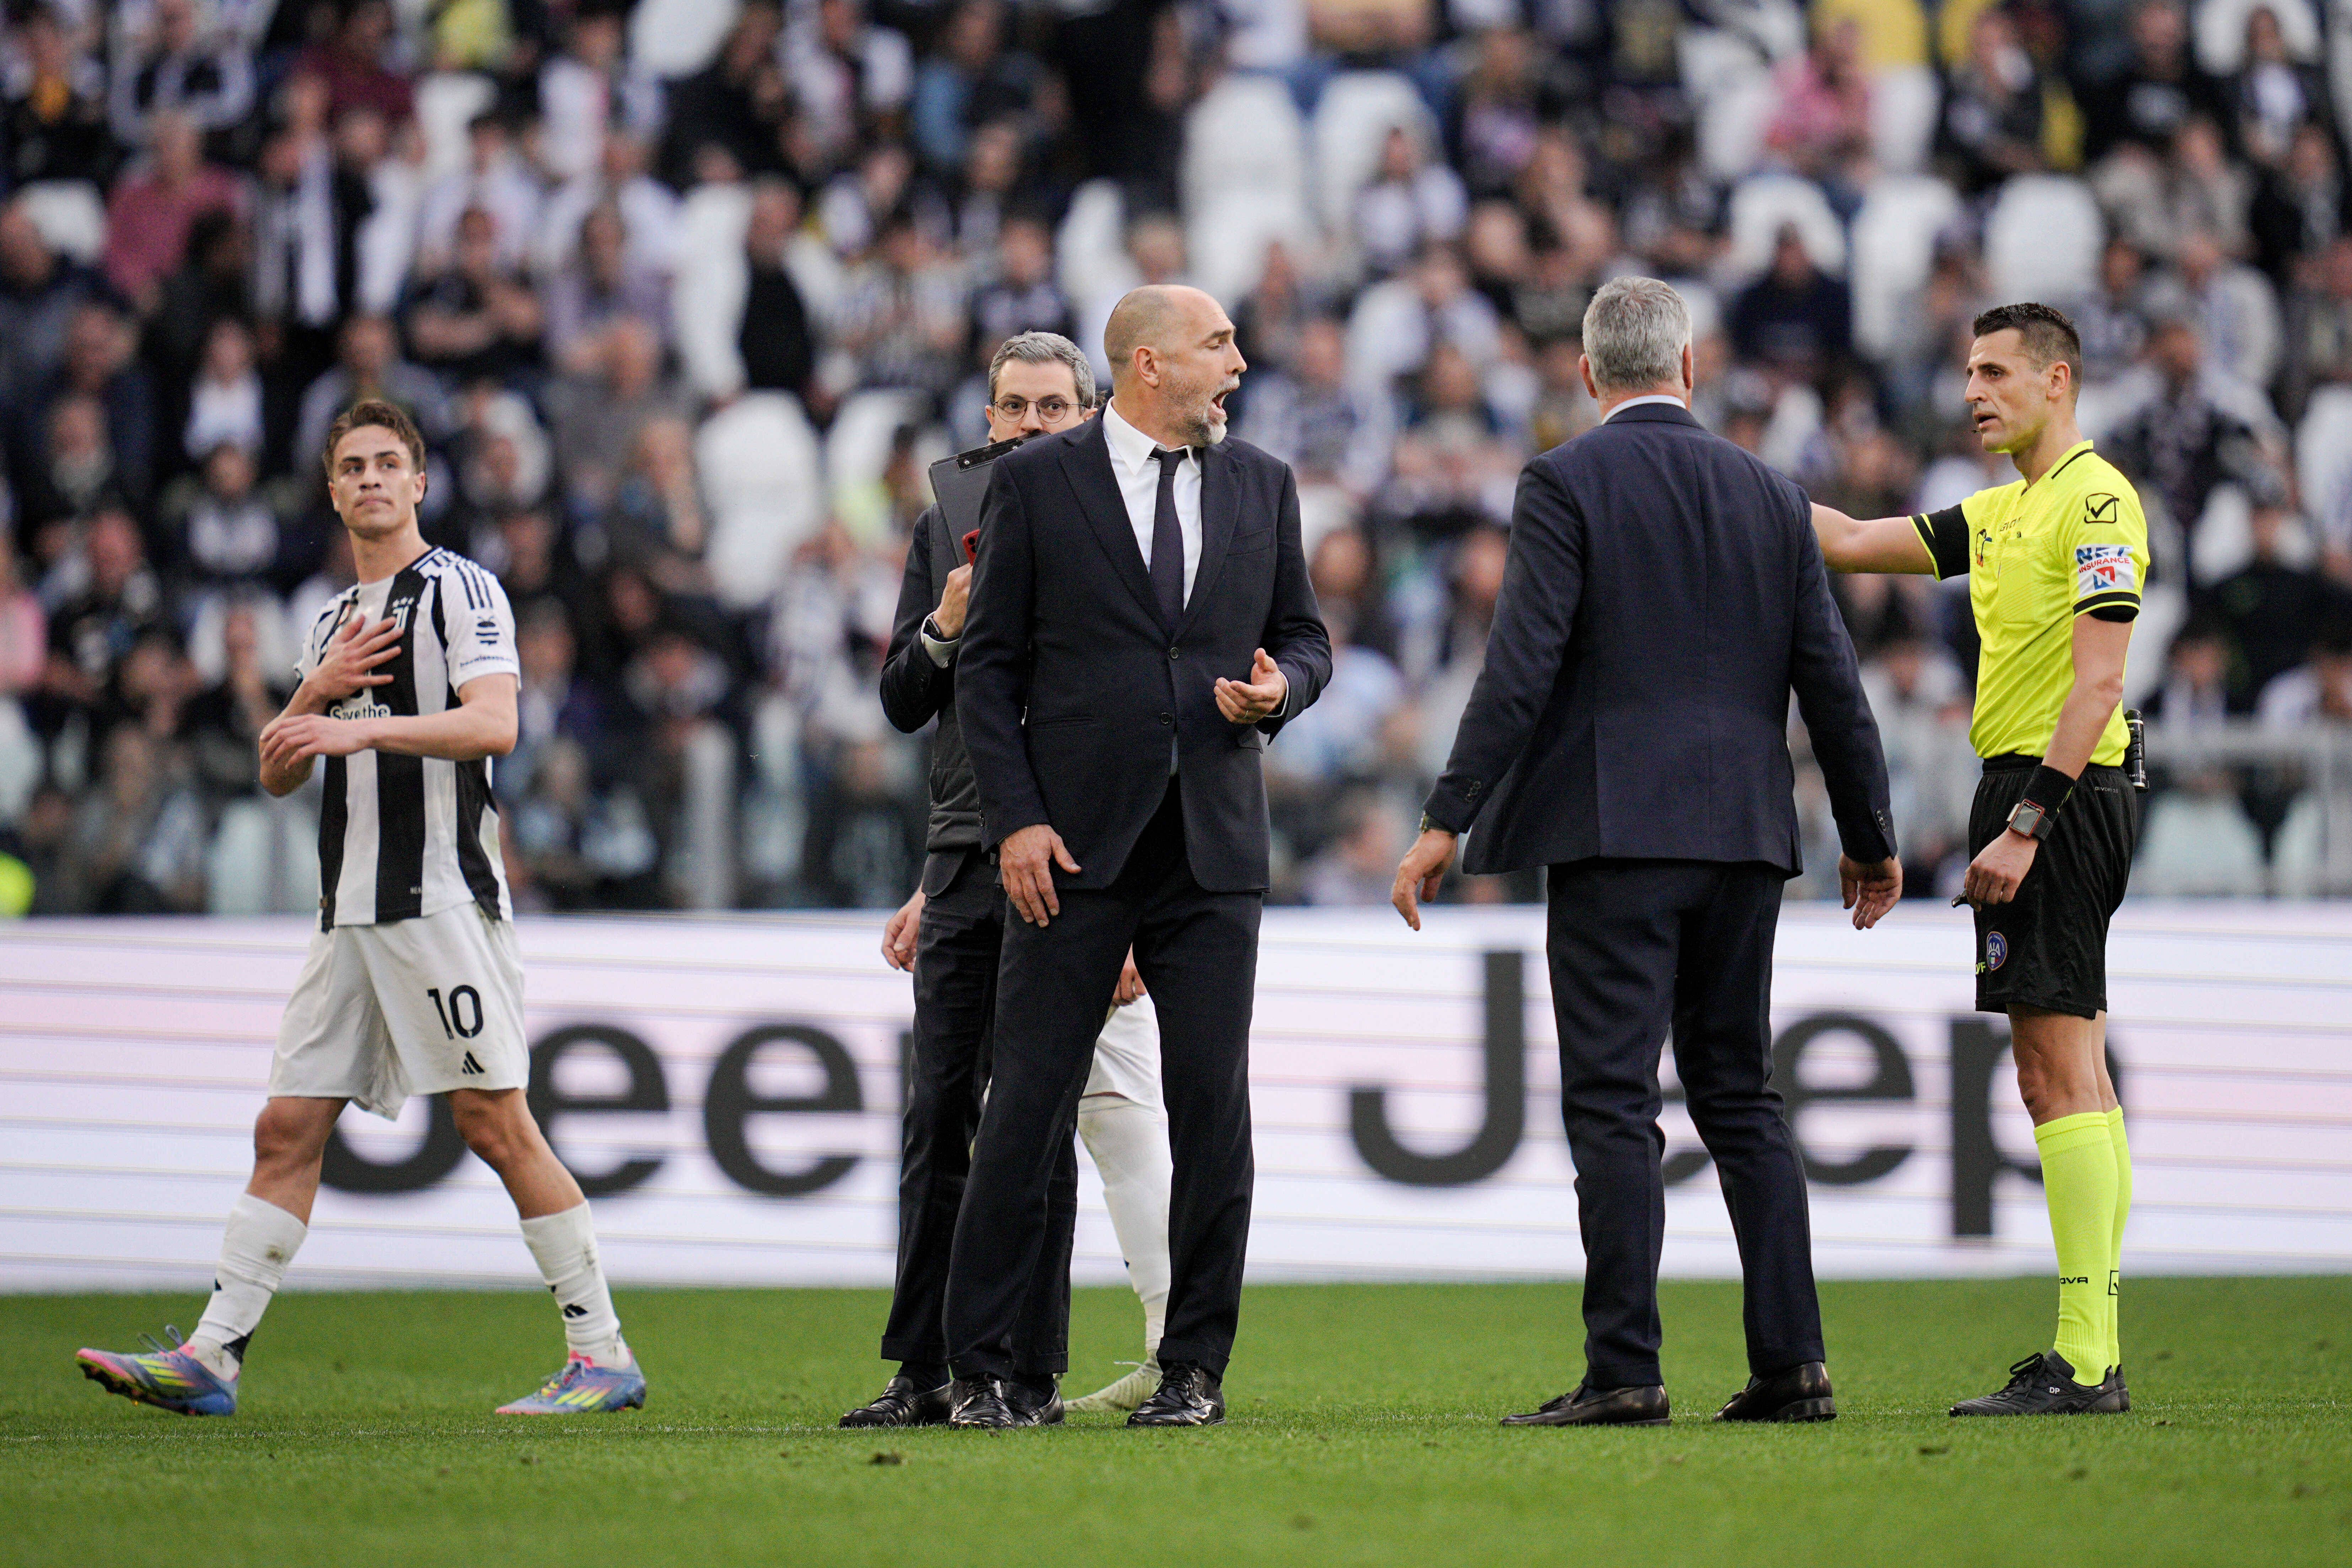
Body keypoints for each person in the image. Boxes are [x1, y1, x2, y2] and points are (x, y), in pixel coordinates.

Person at [1391, 276, 1901, 1428]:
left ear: (1586, 376)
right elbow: (1833, 681)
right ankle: (1794, 1361)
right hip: (1742, 837)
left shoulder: (1564, 482)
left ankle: (1624, 1365)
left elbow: (1519, 666)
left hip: (1614, 832)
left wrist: (1444, 816)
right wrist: (1867, 837)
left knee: (1615, 1099)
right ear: (1688, 367)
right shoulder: (1773, 494)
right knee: (1740, 1094)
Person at [74, 401, 646, 1419]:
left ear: (420, 483)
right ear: (333, 491)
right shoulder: (335, 621)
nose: (372, 479)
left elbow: (497, 723)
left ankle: (601, 1353)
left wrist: (360, 734)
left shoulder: (461, 588)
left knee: (493, 1121)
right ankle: (213, 1357)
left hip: (436, 898)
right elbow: (276, 772)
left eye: (390, 463)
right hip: (348, 911)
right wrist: (310, 699)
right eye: (353, 467)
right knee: (285, 1126)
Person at [946, 285, 1331, 1427]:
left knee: (1214, 1110)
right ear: (1148, 363)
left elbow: (1305, 636)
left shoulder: (1262, 482)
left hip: (1213, 846)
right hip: (1070, 849)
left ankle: (1194, 1368)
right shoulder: (1035, 482)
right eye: (1219, 344)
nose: (1240, 362)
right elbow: (988, 668)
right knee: (1022, 1110)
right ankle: (986, 1367)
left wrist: (1281, 691)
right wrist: (1014, 820)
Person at [1809, 304, 2145, 1417]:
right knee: (2075, 1070)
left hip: (2058, 790)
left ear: (2059, 379)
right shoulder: (2001, 511)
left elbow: (2098, 681)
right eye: (1965, 372)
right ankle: (2091, 1344)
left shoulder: (2096, 498)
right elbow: (1854, 541)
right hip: (2036, 786)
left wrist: (2027, 821)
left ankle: (2085, 1358)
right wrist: (1728, 480)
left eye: (1995, 371)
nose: (1973, 390)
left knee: (2052, 1071)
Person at [843, 332, 1176, 1427]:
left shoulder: (1121, 529)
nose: (1030, 423)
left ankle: (1020, 1372)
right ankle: (925, 1369)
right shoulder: (947, 522)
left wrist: (1120, 892)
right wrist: (941, 625)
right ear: (987, 420)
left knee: (1030, 1121)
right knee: (939, 1118)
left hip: (1071, 859)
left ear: (1089, 413)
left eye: (1051, 406)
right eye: (1013, 406)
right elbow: (900, 699)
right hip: (958, 855)